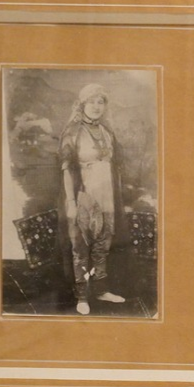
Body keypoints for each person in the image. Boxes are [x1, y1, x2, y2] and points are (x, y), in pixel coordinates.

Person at [60, 83, 127, 315]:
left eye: (101, 102)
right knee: (81, 245)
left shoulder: (107, 132)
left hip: (107, 195)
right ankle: (82, 296)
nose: (96, 106)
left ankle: (100, 290)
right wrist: (71, 202)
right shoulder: (72, 132)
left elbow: (114, 167)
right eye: (92, 101)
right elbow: (66, 170)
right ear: (82, 104)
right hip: (83, 195)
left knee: (103, 244)